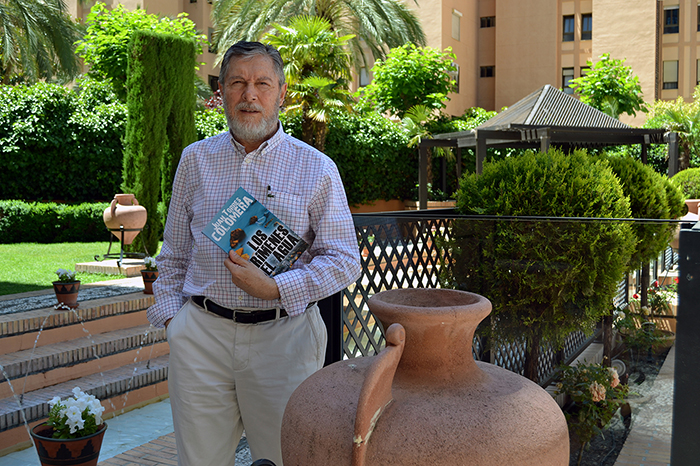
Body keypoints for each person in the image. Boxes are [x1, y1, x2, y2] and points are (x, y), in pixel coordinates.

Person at [147, 41, 361, 466]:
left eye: (262, 83)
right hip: (201, 338)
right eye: (237, 83)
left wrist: (278, 288)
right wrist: (175, 323)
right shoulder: (194, 160)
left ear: (281, 93)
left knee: (287, 459)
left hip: (285, 340)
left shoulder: (316, 167)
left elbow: (344, 259)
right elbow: (172, 254)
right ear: (221, 92)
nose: (250, 95)